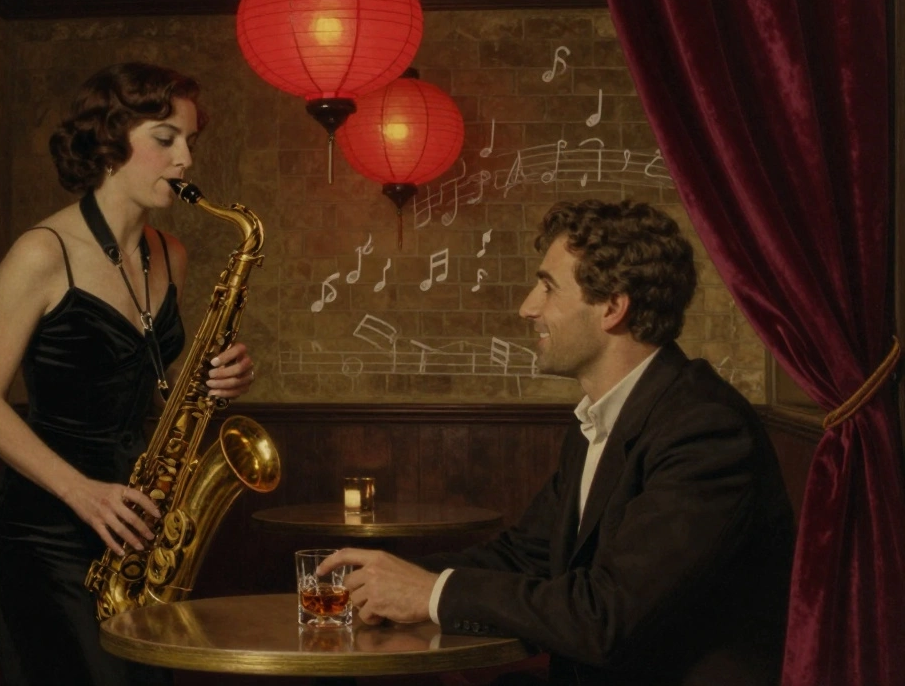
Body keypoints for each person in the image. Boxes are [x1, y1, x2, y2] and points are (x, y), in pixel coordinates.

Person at [319, 200, 795, 686]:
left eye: (547, 287)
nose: (528, 307)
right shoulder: (604, 414)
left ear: (612, 307)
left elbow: (607, 617)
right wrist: (380, 583)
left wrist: (432, 593)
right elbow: (529, 555)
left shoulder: (706, 429)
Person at [0, 62, 256, 686]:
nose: (185, 161)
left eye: (190, 143)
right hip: (44, 532)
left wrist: (206, 383)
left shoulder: (170, 252)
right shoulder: (42, 252)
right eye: (166, 138)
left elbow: (140, 379)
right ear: (111, 142)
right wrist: (80, 492)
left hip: (134, 524)